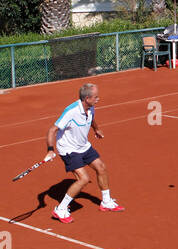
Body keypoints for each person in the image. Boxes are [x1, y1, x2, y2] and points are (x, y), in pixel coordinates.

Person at [44, 82, 122, 222]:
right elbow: (52, 130)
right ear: (87, 99)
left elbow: (91, 118)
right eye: (96, 97)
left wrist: (96, 129)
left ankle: (106, 201)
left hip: (83, 146)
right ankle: (60, 209)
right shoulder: (71, 111)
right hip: (69, 149)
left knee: (101, 167)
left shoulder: (90, 108)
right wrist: (50, 150)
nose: (98, 99)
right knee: (84, 179)